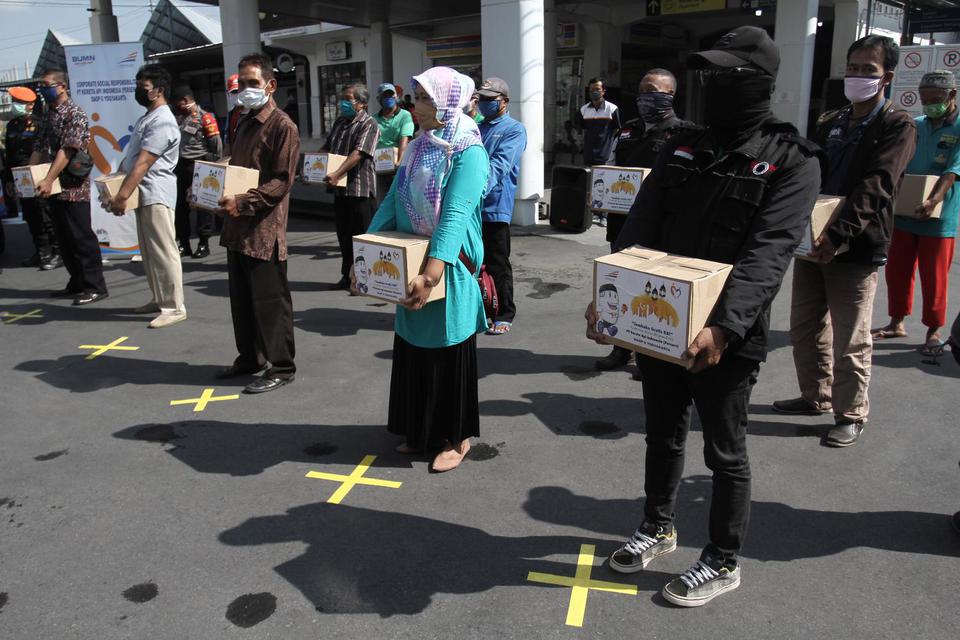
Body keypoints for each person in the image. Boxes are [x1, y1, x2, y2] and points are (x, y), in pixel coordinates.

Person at [586, 26, 822, 606]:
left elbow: (769, 254)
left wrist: (724, 326)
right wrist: (609, 296)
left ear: (757, 83)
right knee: (663, 435)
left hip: (726, 335)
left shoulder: (792, 160)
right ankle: (658, 525)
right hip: (660, 320)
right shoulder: (684, 145)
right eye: (707, 75)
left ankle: (722, 558)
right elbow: (643, 221)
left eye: (725, 75)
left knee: (725, 450)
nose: (711, 85)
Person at [774, 35, 916, 448]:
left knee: (850, 337)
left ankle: (851, 413)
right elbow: (808, 174)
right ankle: (814, 396)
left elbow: (878, 185)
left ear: (886, 76)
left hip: (854, 246)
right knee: (804, 326)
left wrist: (837, 236)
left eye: (867, 70)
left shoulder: (896, 124)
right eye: (852, 68)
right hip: (811, 241)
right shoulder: (831, 121)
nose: (856, 76)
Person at [358, 66, 489, 473]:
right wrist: (364, 253)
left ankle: (456, 436)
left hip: (445, 266)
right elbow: (392, 202)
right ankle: (419, 429)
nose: (415, 104)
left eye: (424, 97)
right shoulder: (417, 146)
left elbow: (454, 216)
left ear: (447, 102)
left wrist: (431, 272)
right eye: (415, 95)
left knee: (447, 349)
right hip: (411, 260)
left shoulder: (467, 150)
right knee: (414, 346)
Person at [596, 68, 696, 373]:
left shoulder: (685, 133)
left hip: (660, 226)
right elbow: (611, 167)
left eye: (651, 91)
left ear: (669, 94)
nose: (643, 98)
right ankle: (620, 348)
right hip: (623, 225)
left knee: (650, 293)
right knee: (620, 285)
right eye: (640, 91)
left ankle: (649, 355)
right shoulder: (627, 130)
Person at [214, 52, 299, 395]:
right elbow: (238, 167)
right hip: (238, 229)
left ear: (270, 84)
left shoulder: (282, 126)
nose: (245, 90)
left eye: (253, 83)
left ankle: (281, 365)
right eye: (242, 84)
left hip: (264, 231)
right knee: (243, 301)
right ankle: (250, 357)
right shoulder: (244, 120)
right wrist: (213, 185)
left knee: (270, 303)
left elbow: (281, 182)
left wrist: (242, 201)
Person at [873, 70, 960, 356]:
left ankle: (934, 330)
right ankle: (896, 321)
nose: (929, 105)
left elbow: (953, 170)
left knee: (934, 276)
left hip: (939, 217)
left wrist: (934, 201)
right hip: (904, 211)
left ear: (952, 96)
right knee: (897, 271)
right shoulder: (916, 125)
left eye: (935, 99)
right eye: (924, 100)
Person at [103, 64, 185, 328]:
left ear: (159, 90)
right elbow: (132, 160)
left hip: (156, 193)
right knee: (150, 252)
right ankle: (159, 298)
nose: (138, 89)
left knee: (163, 251)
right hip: (143, 193)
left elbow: (144, 162)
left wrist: (121, 195)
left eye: (144, 86)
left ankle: (174, 307)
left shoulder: (162, 120)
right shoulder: (147, 117)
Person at [30, 67, 108, 305]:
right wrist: (26, 176)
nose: (43, 90)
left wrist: (48, 178)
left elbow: (68, 150)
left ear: (62, 86)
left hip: (73, 186)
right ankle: (76, 282)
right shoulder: (48, 113)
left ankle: (95, 286)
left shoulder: (74, 113)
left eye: (47, 85)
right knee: (64, 238)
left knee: (81, 237)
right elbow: (40, 147)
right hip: (53, 187)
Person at [477, 77, 526, 335]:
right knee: (473, 263)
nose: (483, 103)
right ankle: (481, 310)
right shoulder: (476, 126)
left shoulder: (514, 129)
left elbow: (500, 165)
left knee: (497, 263)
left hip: (494, 207)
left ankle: (504, 312)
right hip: (469, 208)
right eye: (481, 98)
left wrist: (475, 189)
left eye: (490, 99)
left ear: (504, 102)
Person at [322, 83, 380, 290]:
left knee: (363, 238)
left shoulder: (369, 124)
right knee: (344, 237)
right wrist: (312, 167)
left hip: (360, 190)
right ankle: (347, 277)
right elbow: (327, 148)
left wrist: (337, 173)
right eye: (342, 98)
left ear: (362, 103)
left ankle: (365, 280)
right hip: (340, 190)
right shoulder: (339, 122)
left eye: (348, 99)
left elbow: (359, 153)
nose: (343, 103)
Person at [3, 86, 60, 270]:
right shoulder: (13, 125)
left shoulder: (39, 124)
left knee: (45, 213)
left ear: (29, 105)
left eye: (18, 103)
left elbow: (44, 151)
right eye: (14, 102)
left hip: (36, 174)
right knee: (30, 215)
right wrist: (9, 180)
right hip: (19, 176)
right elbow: (9, 156)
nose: (14, 106)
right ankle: (41, 251)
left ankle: (56, 251)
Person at [171, 84, 223, 259]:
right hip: (180, 166)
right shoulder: (176, 118)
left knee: (202, 206)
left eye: (177, 103)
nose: (175, 107)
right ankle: (184, 243)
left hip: (199, 164)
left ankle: (203, 243)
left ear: (185, 101)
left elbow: (216, 144)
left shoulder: (205, 118)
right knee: (181, 207)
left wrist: (214, 165)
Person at [577, 77, 621, 227]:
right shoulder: (584, 109)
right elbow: (582, 129)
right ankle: (593, 213)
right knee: (591, 185)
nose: (594, 92)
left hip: (605, 153)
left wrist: (608, 144)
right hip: (589, 153)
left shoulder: (612, 108)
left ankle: (604, 215)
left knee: (605, 184)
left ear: (603, 91)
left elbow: (616, 129)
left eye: (597, 89)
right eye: (591, 90)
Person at [372, 82, 415, 204]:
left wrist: (399, 162)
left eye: (391, 95)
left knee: (400, 199)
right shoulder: (374, 119)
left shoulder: (405, 116)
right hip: (379, 167)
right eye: (385, 96)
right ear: (378, 99)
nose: (389, 99)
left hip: (398, 165)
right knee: (383, 200)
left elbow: (404, 140)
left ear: (396, 97)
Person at [225, 73, 244, 153]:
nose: (238, 94)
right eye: (234, 92)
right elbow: (227, 138)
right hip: (234, 158)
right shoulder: (230, 114)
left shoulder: (254, 112)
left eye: (240, 91)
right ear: (228, 94)